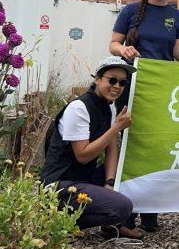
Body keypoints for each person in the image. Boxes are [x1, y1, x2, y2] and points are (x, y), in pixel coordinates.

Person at [109, 0, 179, 232]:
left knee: (157, 147)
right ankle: (126, 210)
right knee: (130, 144)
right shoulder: (130, 11)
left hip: (162, 89)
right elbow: (113, 43)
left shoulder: (177, 16)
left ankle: (150, 211)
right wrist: (122, 51)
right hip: (133, 86)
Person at [40, 56, 140, 239]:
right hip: (59, 185)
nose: (117, 86)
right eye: (112, 80)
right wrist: (116, 128)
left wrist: (110, 183)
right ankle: (60, 221)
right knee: (122, 206)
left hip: (83, 179)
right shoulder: (79, 108)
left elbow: (111, 149)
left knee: (128, 169)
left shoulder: (109, 108)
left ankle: (111, 226)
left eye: (122, 82)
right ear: (97, 79)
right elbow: (83, 156)